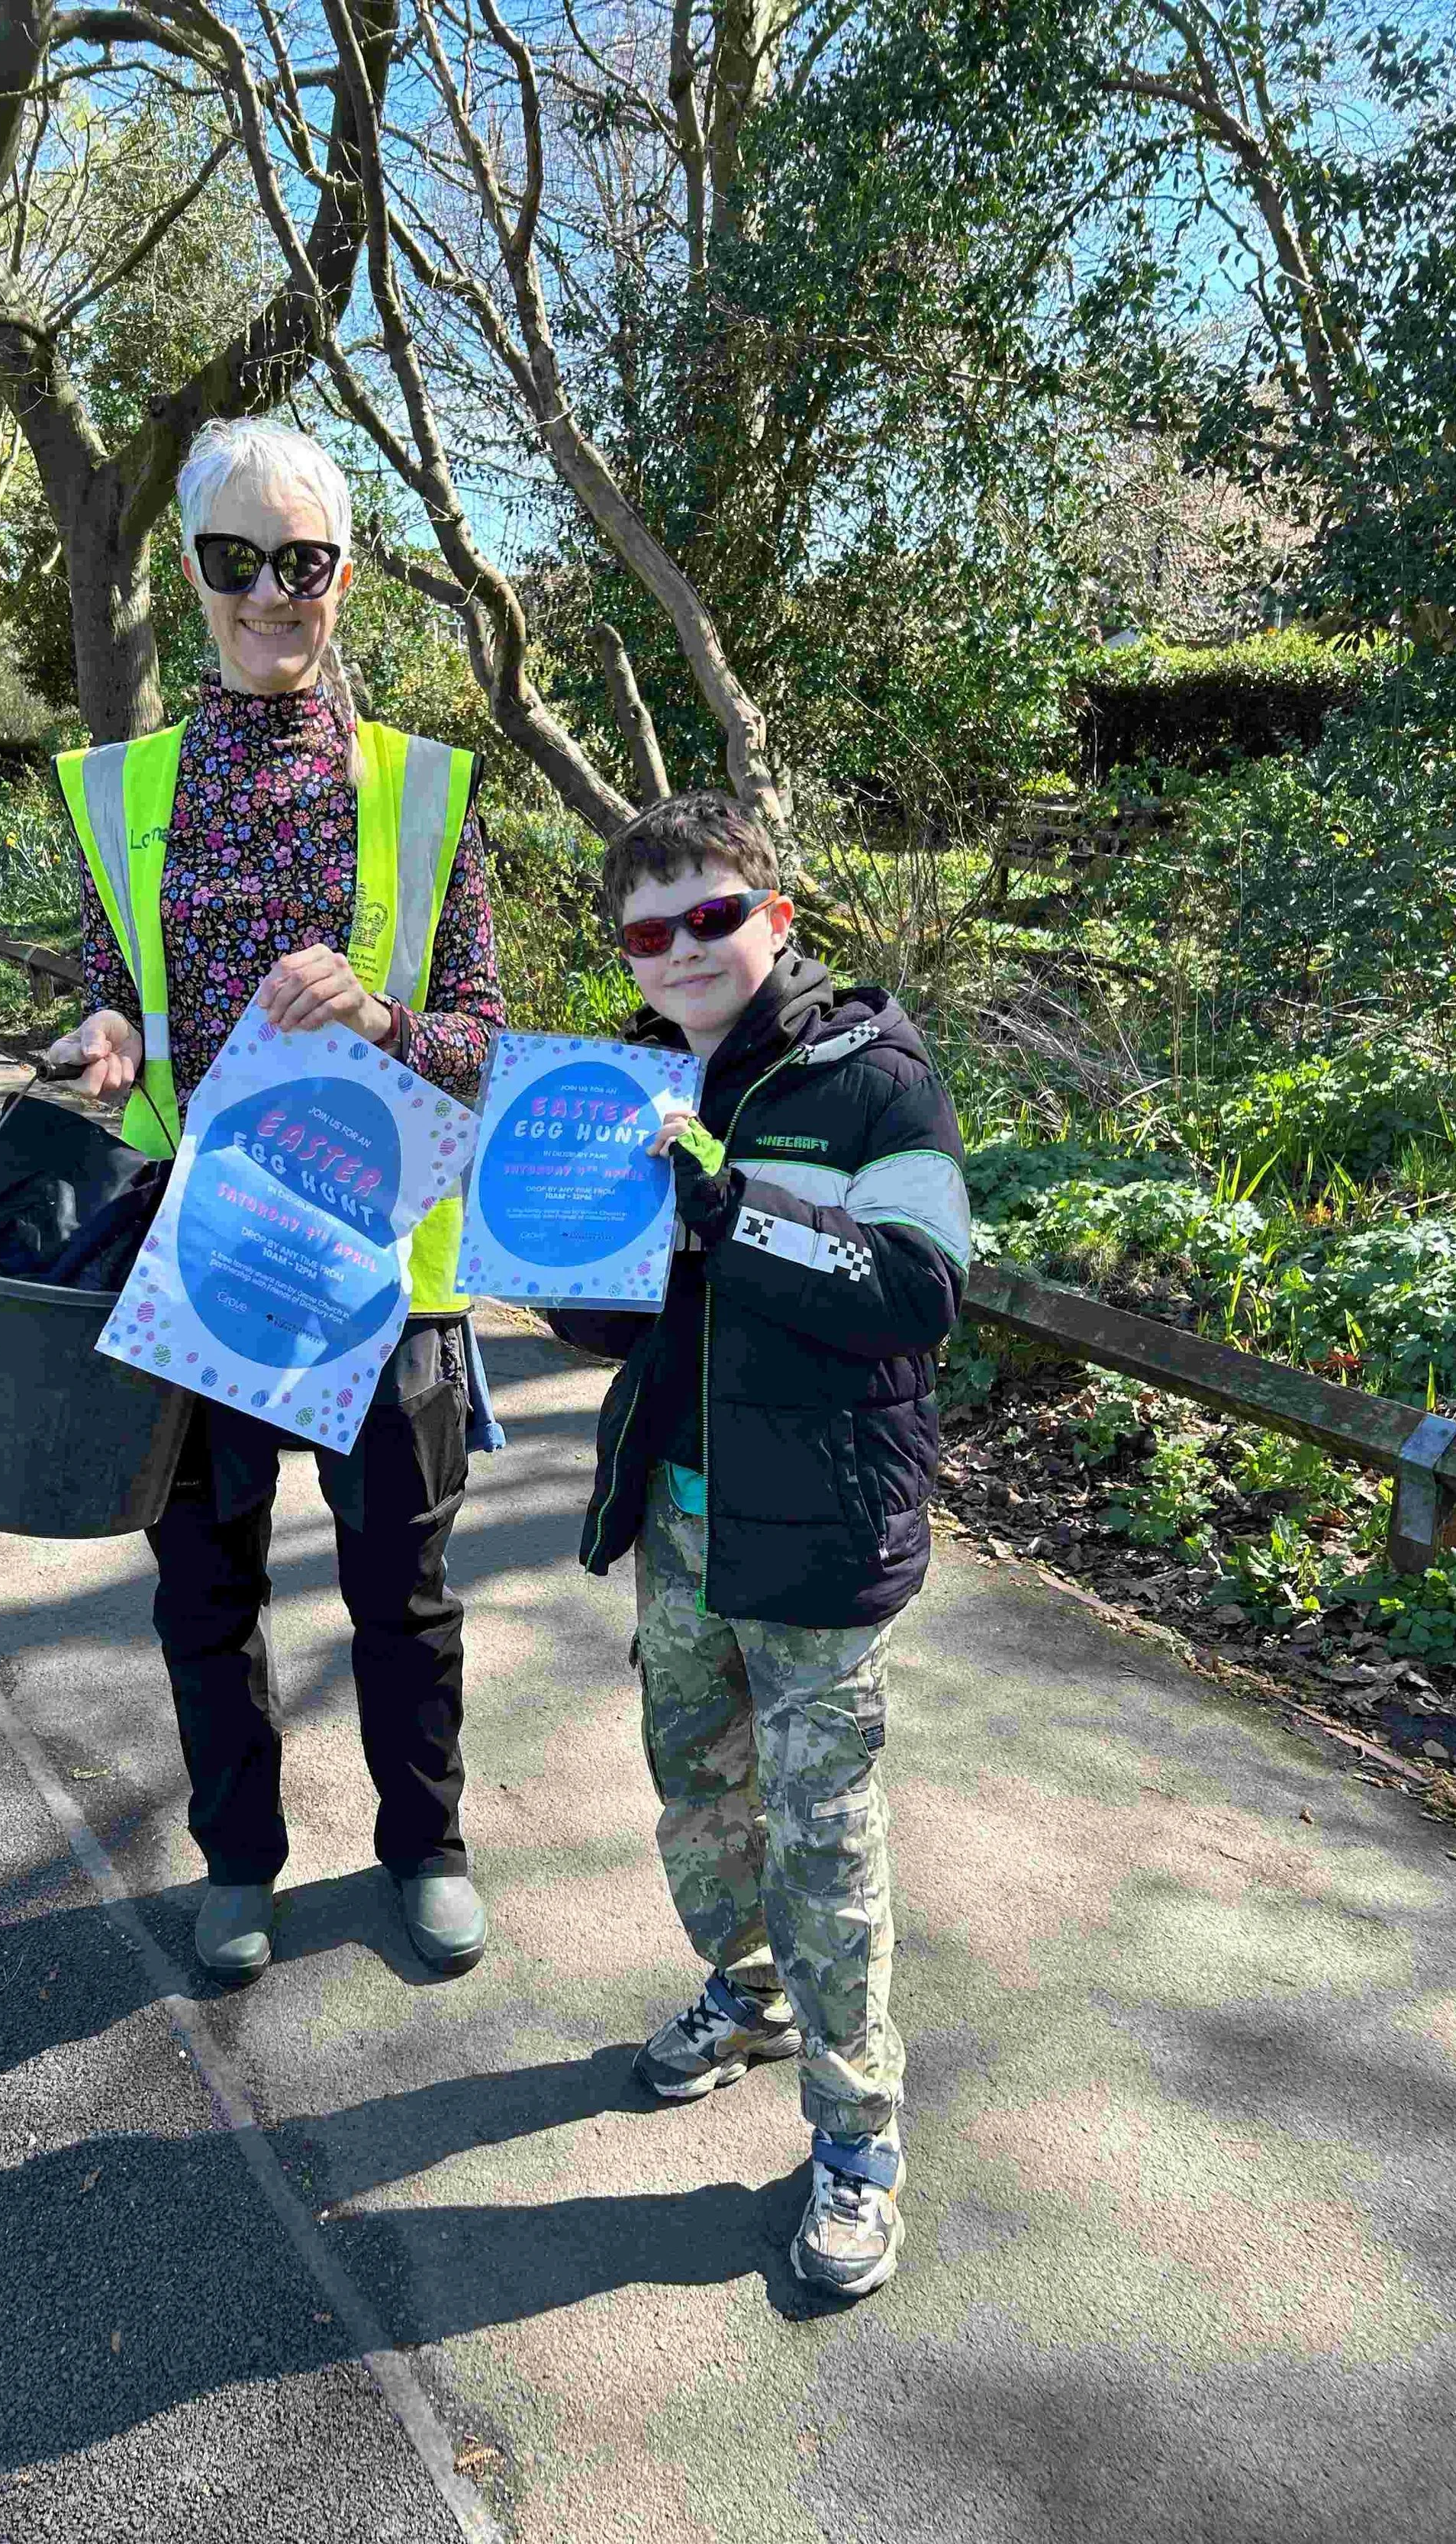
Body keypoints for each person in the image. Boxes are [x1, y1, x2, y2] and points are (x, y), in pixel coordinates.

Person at [41, 418, 504, 1988]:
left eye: (297, 562)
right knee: (205, 1590)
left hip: (384, 1270)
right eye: (233, 562)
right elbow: (114, 992)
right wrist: (105, 1034)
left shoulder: (426, 790)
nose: (266, 594)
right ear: (189, 573)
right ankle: (239, 1859)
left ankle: (425, 1843)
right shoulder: (125, 792)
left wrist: (381, 1015)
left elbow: (480, 1047)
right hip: (200, 1258)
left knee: (403, 1590)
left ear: (342, 575)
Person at [549, 791, 968, 2298]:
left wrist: (727, 1207)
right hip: (675, 1512)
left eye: (710, 915)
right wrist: (551, 1253)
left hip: (819, 1529)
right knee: (692, 1781)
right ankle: (740, 1997)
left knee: (824, 1840)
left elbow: (917, 1285)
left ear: (773, 918)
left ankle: (855, 2146)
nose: (678, 950)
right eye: (645, 930)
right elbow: (612, 1313)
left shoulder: (871, 1075)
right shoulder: (615, 1079)